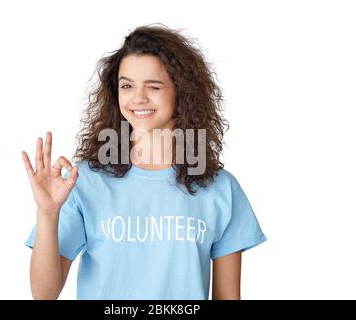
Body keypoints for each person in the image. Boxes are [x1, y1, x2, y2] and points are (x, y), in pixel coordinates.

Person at [22, 23, 267, 300]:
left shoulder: (220, 188)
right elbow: (44, 293)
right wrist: (47, 213)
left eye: (153, 86)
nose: (138, 98)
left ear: (181, 92)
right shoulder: (85, 180)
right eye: (127, 85)